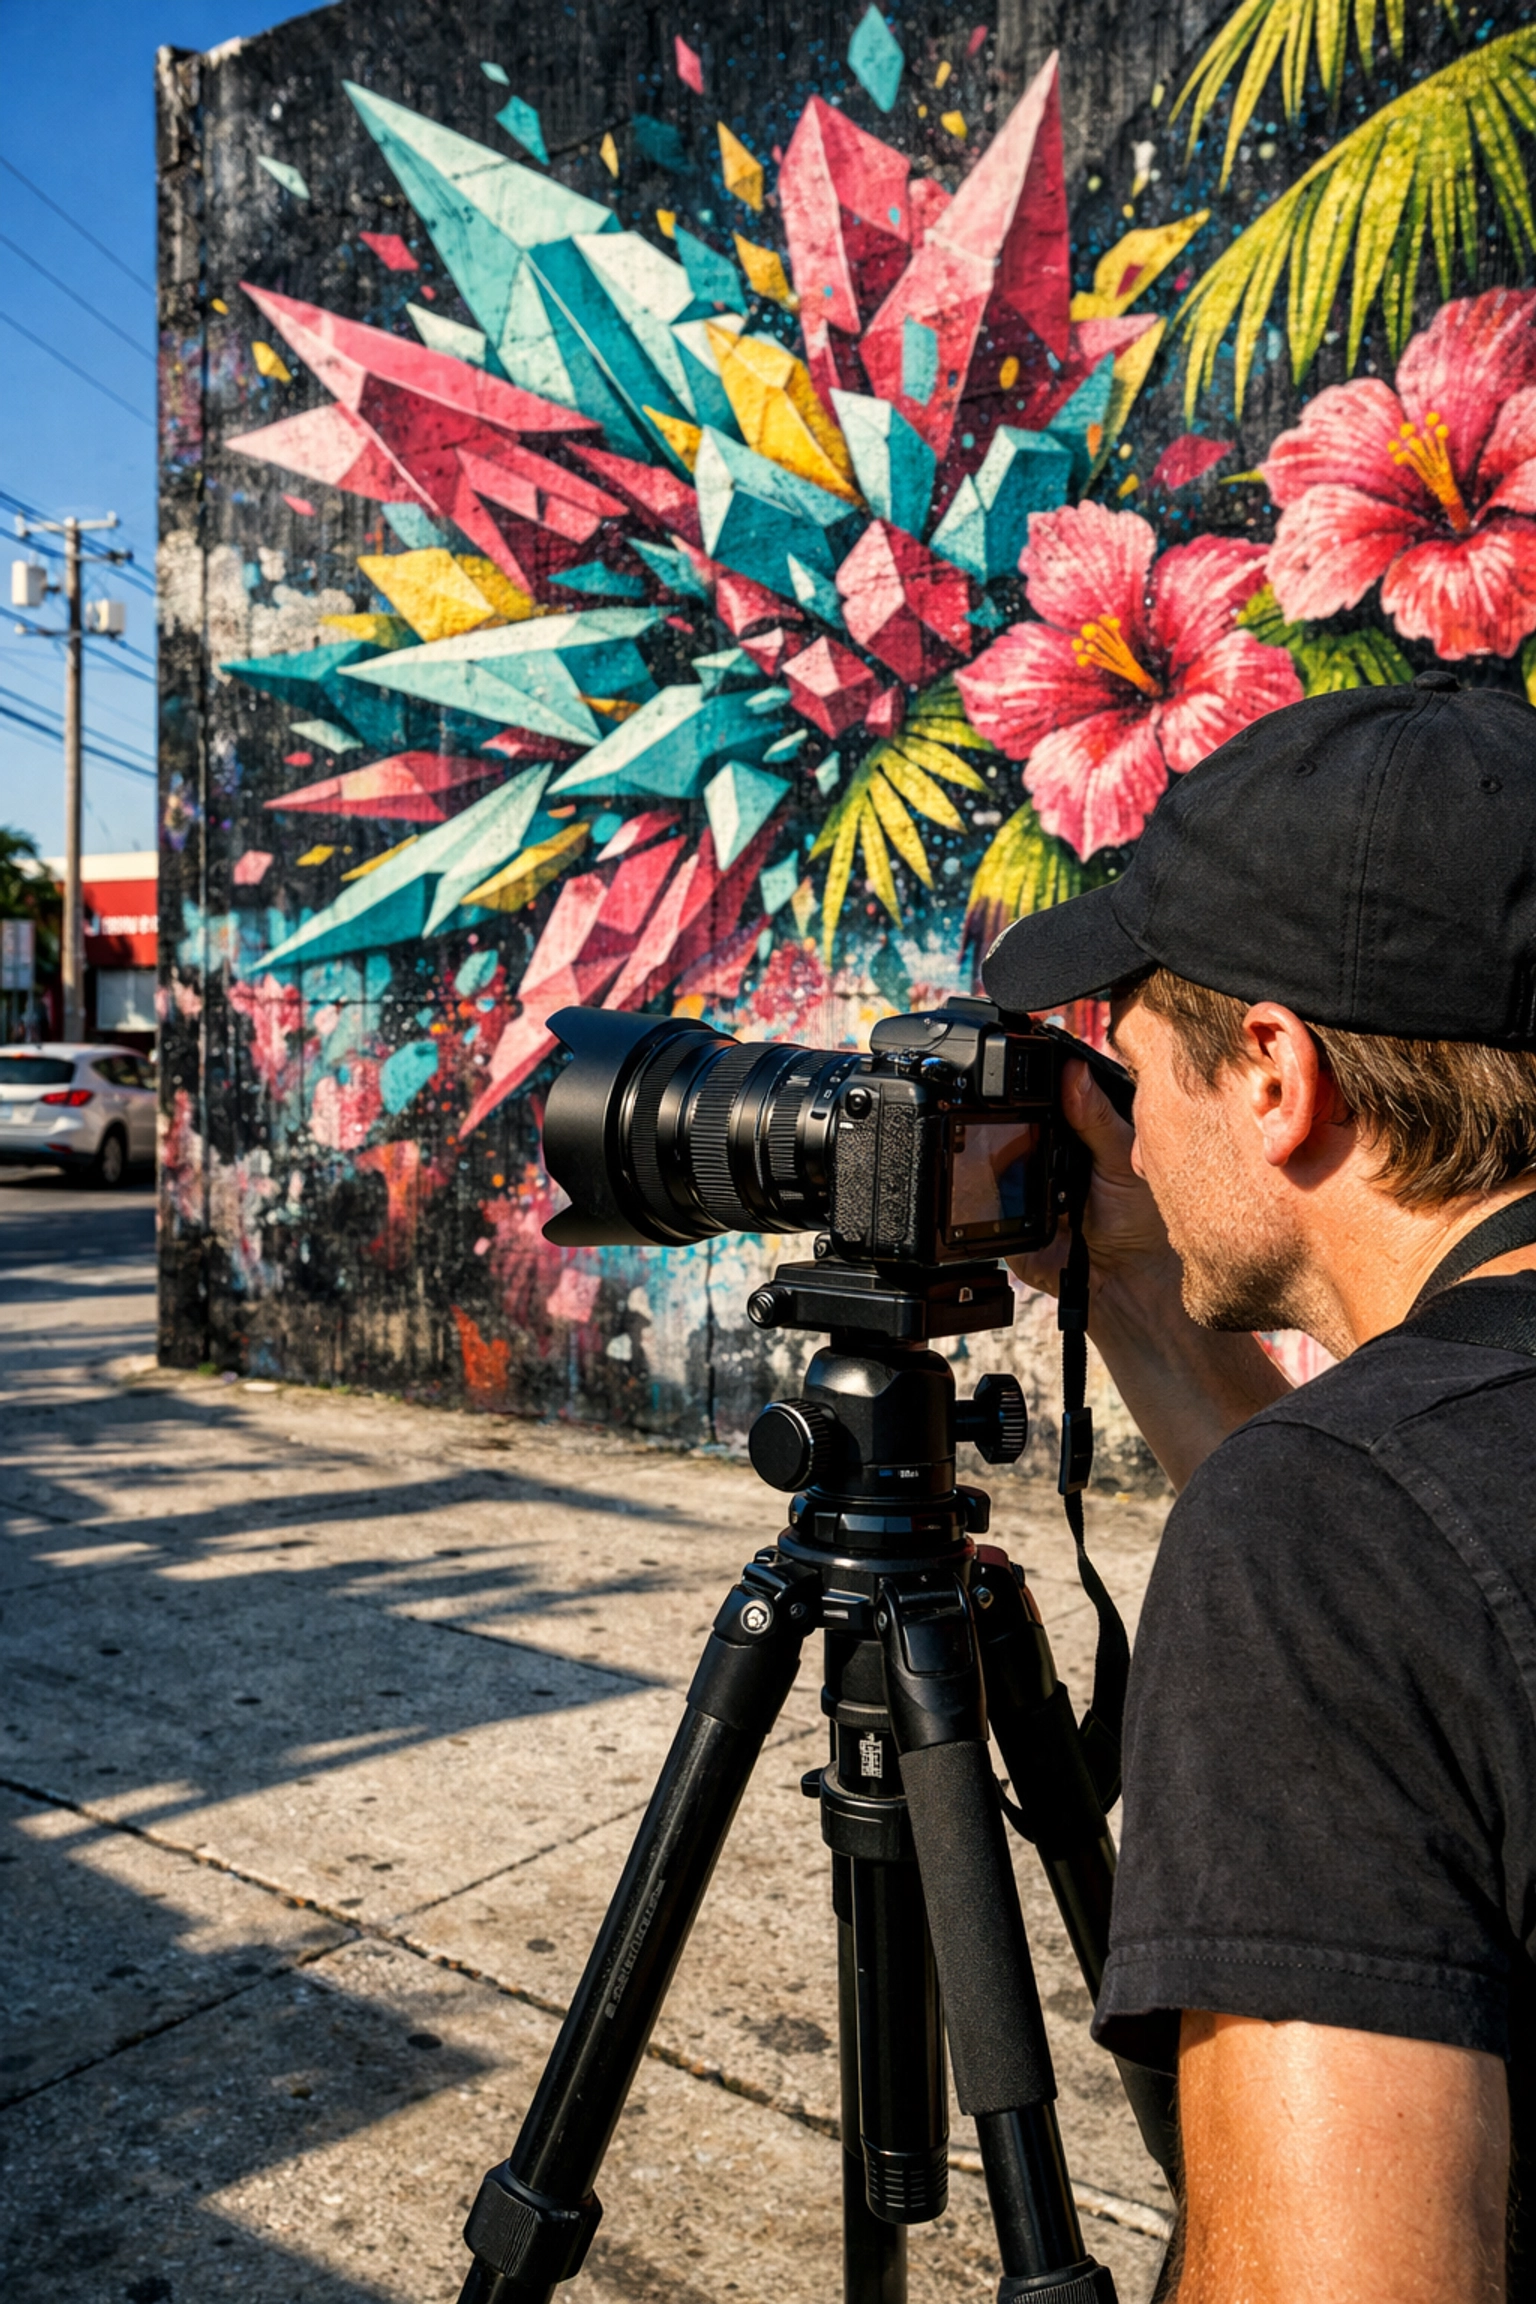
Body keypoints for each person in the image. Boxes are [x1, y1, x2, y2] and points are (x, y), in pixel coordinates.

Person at [985, 670, 1536, 2304]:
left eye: (1140, 1074)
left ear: (1278, 1074)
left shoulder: (1329, 1540)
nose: (1132, 1141)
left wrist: (1283, 1509)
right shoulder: (1396, 1513)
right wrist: (1144, 1295)